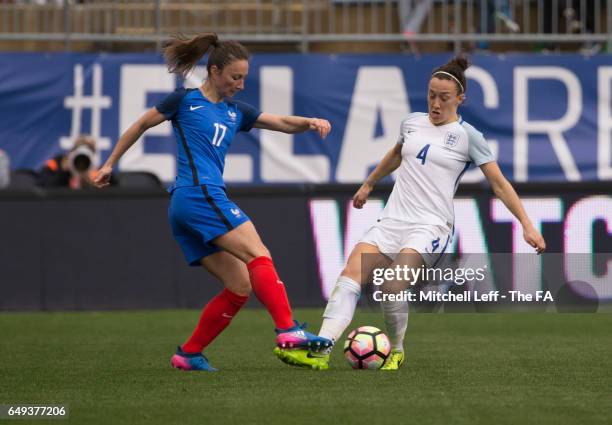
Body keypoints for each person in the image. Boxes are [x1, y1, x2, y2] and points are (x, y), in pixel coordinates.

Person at [274, 56, 546, 371]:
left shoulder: (469, 136)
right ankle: (321, 350)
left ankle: (397, 350)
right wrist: (368, 184)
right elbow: (395, 153)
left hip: (431, 227)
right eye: (431, 95)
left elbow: (499, 184)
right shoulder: (412, 122)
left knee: (391, 285)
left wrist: (527, 225)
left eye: (444, 98)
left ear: (460, 99)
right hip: (392, 221)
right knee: (350, 276)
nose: (436, 103)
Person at [93, 33, 333, 371]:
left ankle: (188, 354)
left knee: (240, 286)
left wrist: (308, 122)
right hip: (198, 194)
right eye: (235, 77)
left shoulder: (236, 112)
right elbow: (140, 125)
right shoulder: (184, 100)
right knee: (259, 254)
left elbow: (278, 122)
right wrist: (108, 163)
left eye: (244, 77)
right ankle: (288, 330)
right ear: (215, 71)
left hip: (187, 205)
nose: (240, 84)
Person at [38, 134, 103, 189]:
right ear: (71, 152)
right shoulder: (57, 163)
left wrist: (88, 181)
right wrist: (65, 172)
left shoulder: (100, 171)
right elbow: (44, 187)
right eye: (78, 148)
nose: (81, 162)